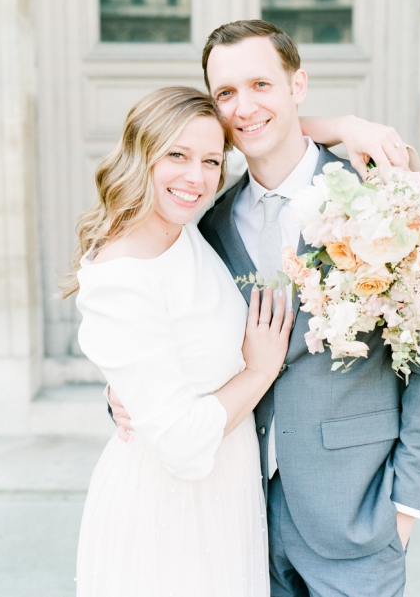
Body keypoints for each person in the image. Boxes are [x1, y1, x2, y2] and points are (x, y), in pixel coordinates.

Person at [112, 20, 420, 596]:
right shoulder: (206, 223)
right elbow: (163, 332)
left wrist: (405, 508)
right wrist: (121, 391)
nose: (244, 107)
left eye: (261, 85)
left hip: (356, 521)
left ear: (298, 86)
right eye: (225, 94)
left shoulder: (383, 200)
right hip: (236, 517)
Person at [65, 86, 293, 596]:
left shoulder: (184, 226)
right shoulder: (122, 275)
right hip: (166, 513)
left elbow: (269, 135)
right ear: (141, 154)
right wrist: (259, 371)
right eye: (177, 155)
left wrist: (347, 127)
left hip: (227, 495)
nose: (197, 177)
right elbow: (183, 443)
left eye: (211, 160)